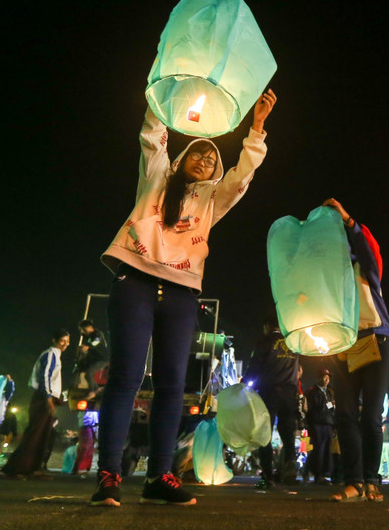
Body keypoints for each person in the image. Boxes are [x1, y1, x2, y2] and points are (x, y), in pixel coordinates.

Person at [91, 89, 278, 507]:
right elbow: (153, 132)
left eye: (213, 159)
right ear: (181, 158)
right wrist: (168, 94)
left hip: (181, 292)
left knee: (173, 385)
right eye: (199, 153)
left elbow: (242, 174)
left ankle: (160, 475)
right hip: (135, 282)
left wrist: (258, 127)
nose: (206, 160)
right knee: (125, 378)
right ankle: (108, 476)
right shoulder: (156, 175)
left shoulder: (212, 199)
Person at [322, 199, 389, 503]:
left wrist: (348, 220)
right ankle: (354, 481)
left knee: (371, 417)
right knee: (345, 415)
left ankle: (371, 480)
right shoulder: (326, 277)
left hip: (376, 342)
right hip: (344, 347)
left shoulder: (365, 268)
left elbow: (364, 246)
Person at [3, 330, 70, 478]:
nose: (65, 344)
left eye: (67, 341)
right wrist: (48, 399)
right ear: (54, 340)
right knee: (35, 433)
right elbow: (44, 376)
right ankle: (17, 468)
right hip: (43, 398)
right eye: (62, 341)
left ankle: (33, 468)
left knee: (43, 435)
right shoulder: (51, 354)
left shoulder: (56, 355)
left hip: (48, 397)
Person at [245, 319, 301, 489]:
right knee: (287, 432)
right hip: (290, 394)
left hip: (270, 392)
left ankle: (267, 476)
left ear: (267, 326)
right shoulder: (293, 343)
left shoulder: (265, 342)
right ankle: (290, 464)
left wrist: (245, 381)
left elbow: (255, 365)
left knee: (265, 433)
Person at [305, 368, 336, 485]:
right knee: (318, 448)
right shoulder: (313, 391)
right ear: (319, 378)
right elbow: (316, 407)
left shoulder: (329, 392)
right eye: (324, 377)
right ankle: (317, 473)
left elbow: (331, 408)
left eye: (328, 377)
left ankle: (322, 473)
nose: (327, 379)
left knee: (326, 448)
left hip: (327, 422)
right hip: (316, 423)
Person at [76, 320, 109, 400]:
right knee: (86, 374)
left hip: (103, 359)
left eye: (84, 329)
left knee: (88, 374)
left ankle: (93, 391)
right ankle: (97, 390)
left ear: (90, 327)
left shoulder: (97, 334)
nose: (83, 331)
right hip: (96, 359)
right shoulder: (89, 336)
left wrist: (88, 346)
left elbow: (96, 342)